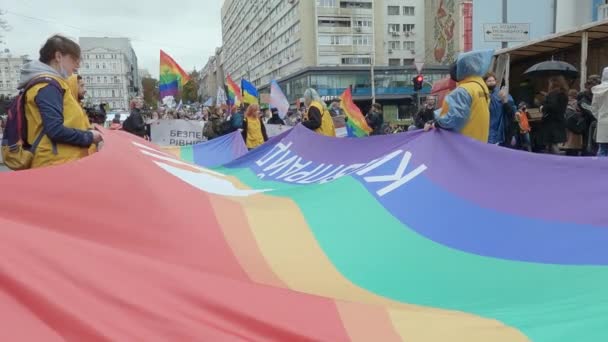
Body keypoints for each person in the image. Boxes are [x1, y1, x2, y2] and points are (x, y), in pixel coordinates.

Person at [18, 34, 102, 169]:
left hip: (61, 161)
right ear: (58, 57)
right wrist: (89, 136)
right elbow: (55, 130)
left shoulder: (52, 84)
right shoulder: (48, 86)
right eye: (74, 59)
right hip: (56, 164)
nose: (77, 65)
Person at [425, 50, 493, 143]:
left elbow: (455, 118)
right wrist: (436, 115)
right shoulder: (481, 87)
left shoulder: (463, 90)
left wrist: (436, 123)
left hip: (463, 144)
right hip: (479, 142)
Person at [485, 73, 516, 146]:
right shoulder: (483, 94)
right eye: (489, 81)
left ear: (496, 81)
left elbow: (512, 111)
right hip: (488, 126)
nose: (491, 82)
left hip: (500, 127)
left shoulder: (502, 93)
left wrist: (504, 101)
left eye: (493, 80)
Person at [540, 76, 568, 154]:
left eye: (549, 82)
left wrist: (543, 107)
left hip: (551, 121)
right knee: (553, 144)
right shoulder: (563, 93)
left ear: (553, 83)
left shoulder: (553, 94)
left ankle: (557, 162)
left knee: (552, 144)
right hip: (559, 120)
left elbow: (552, 106)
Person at [562, 89, 584, 156]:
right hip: (575, 124)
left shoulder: (564, 102)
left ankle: (568, 151)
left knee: (569, 141)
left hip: (566, 124)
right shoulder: (577, 102)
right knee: (574, 142)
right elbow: (580, 111)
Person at [591, 67, 608, 157]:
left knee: (603, 150)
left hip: (603, 124)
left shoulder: (597, 90)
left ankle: (601, 170)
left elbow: (594, 109)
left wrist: (601, 117)